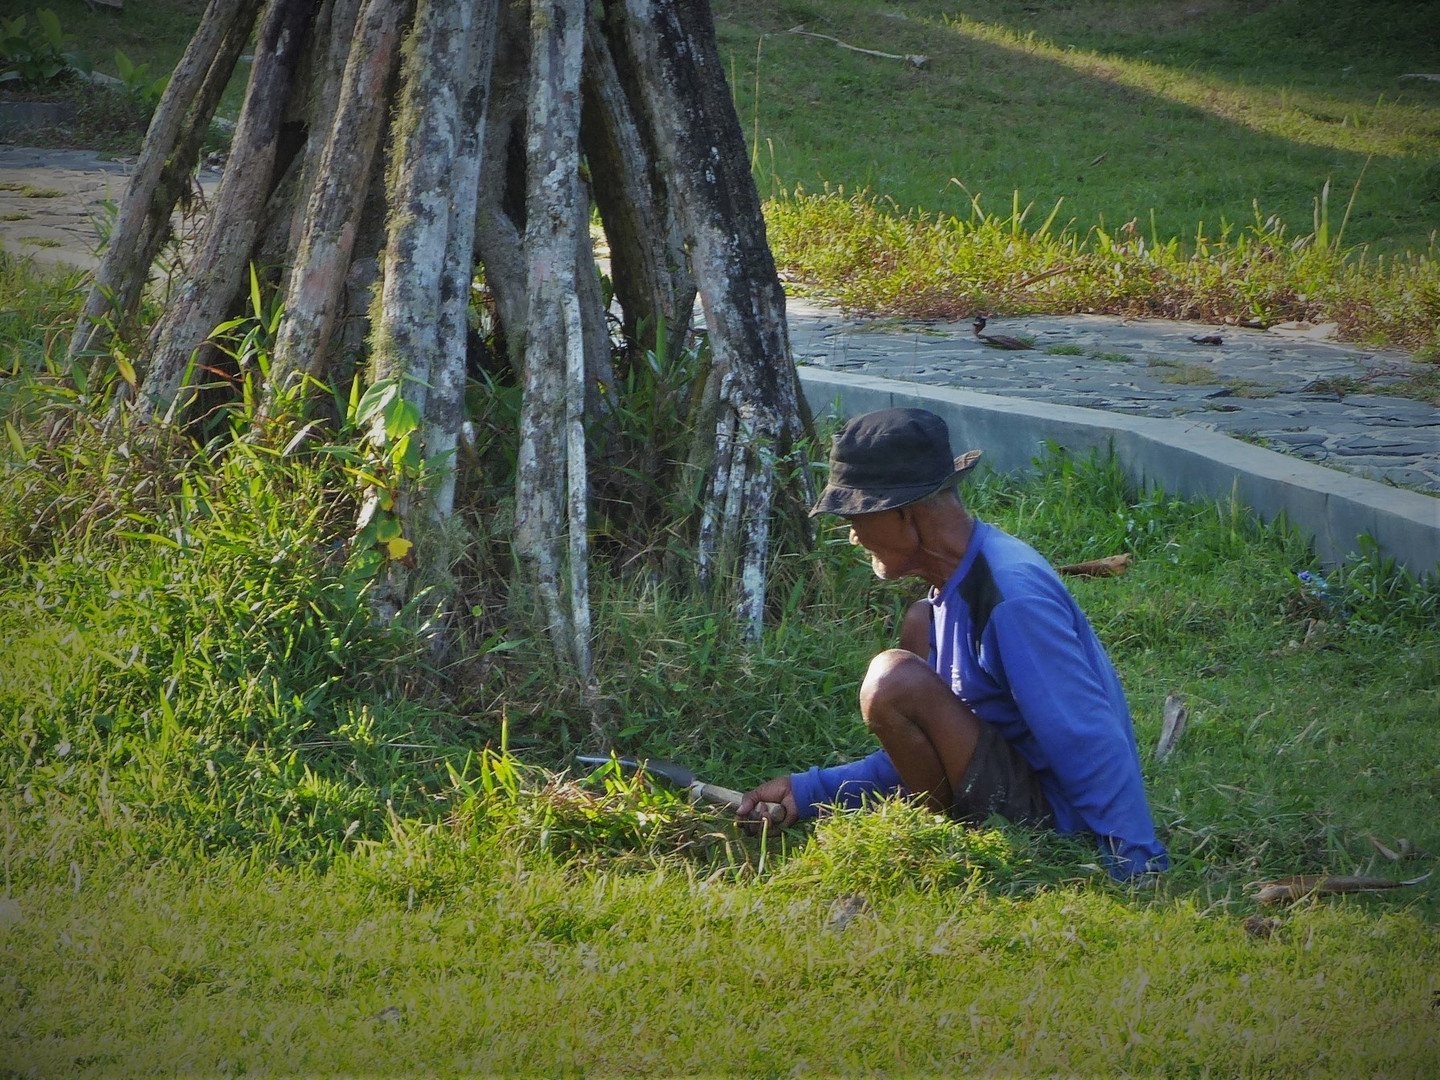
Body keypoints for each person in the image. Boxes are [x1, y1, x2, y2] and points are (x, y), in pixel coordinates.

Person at [736, 407, 1168, 880]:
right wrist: (809, 791)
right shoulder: (948, 594)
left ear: (906, 514)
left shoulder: (1011, 598)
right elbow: (932, 752)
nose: (853, 534)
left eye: (857, 513)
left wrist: (1137, 861)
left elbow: (1086, 736)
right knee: (914, 633)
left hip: (1059, 823)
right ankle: (938, 839)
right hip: (1018, 788)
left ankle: (950, 845)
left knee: (893, 680)